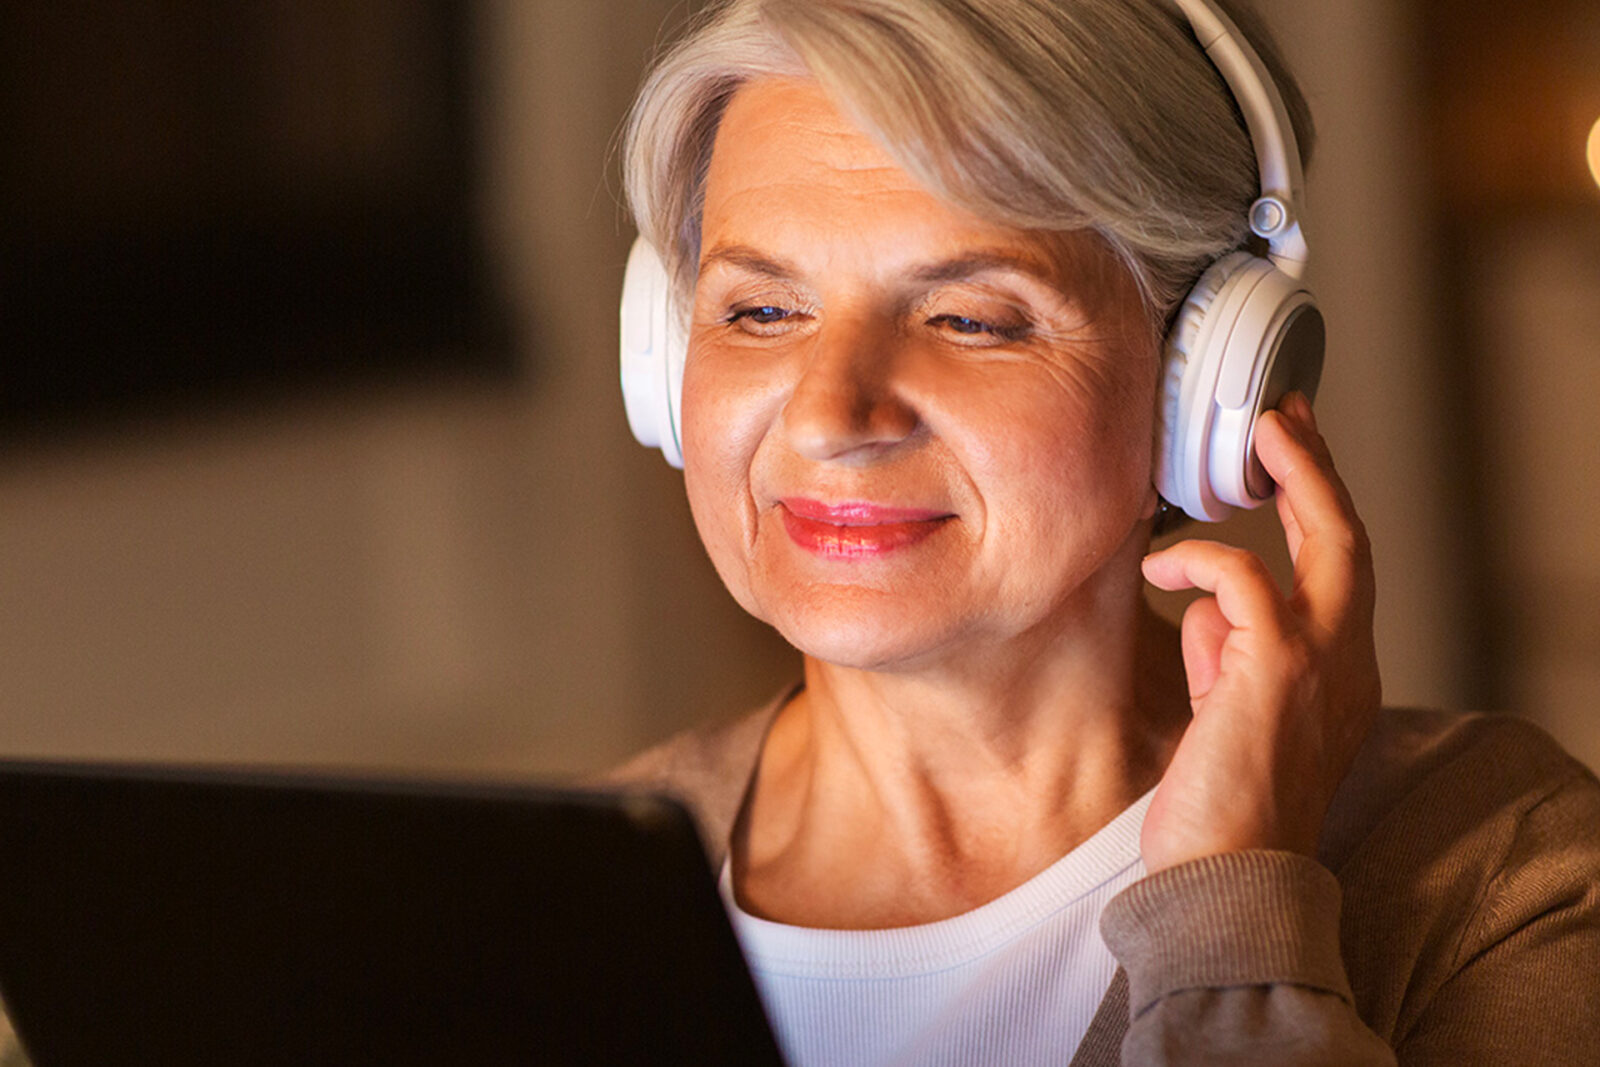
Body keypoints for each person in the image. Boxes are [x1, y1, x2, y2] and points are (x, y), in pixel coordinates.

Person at [608, 0, 1600, 1064]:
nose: (828, 416)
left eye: (970, 319)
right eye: (760, 311)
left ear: (1204, 381)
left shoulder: (1492, 863)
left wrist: (1232, 919)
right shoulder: (557, 885)